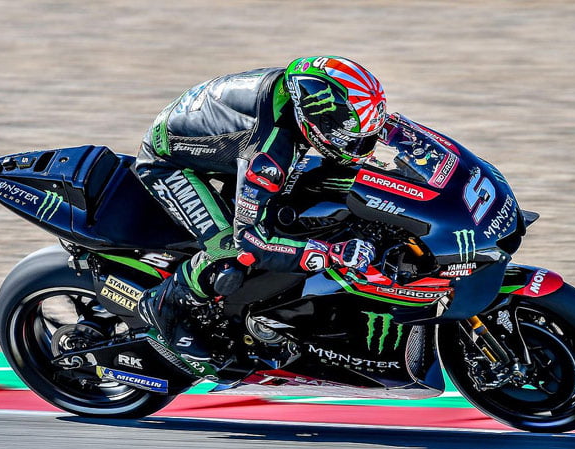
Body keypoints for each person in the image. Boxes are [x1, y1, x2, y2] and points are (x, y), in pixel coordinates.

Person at [134, 56, 386, 353]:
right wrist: (331, 254)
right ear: (316, 120)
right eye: (348, 137)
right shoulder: (269, 152)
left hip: (221, 142)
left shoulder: (298, 96)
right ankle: (165, 305)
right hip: (168, 164)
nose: (357, 147)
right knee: (228, 252)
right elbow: (251, 244)